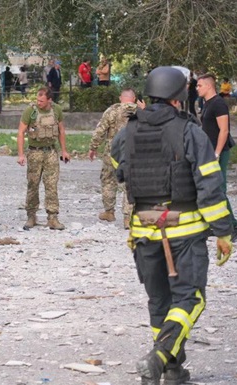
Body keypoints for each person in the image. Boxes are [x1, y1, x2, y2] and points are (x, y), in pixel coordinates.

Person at [111, 66, 233, 385]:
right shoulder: (189, 131)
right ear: (179, 99)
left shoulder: (128, 131)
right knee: (190, 298)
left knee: (159, 301)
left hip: (143, 232)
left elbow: (117, 166)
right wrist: (223, 231)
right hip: (185, 232)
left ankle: (171, 369)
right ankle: (160, 357)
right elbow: (209, 183)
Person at [17, 86, 70, 230]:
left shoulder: (56, 110)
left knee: (51, 185)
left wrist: (64, 151)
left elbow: (61, 130)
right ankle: (31, 216)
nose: (39, 102)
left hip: (51, 151)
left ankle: (52, 217)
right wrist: (21, 154)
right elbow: (21, 132)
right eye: (37, 100)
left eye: (41, 100)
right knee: (33, 184)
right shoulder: (31, 111)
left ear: (49, 100)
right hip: (35, 152)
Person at [88, 88, 137, 229]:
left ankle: (109, 212)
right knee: (129, 183)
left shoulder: (112, 110)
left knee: (108, 179)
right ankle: (128, 217)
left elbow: (101, 130)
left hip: (112, 150)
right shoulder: (140, 111)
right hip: (133, 150)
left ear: (121, 98)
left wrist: (93, 147)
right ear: (133, 99)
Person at [197, 73, 237, 235]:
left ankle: (232, 226)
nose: (197, 88)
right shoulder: (207, 103)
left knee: (218, 189)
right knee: (209, 189)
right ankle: (216, 224)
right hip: (209, 151)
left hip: (218, 151)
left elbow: (224, 130)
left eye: (199, 85)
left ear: (208, 86)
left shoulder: (218, 104)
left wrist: (217, 153)